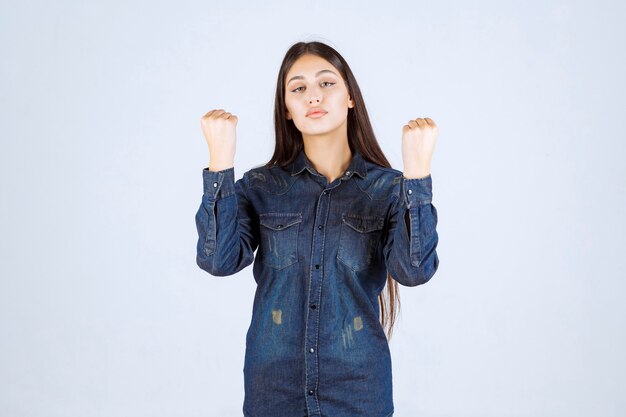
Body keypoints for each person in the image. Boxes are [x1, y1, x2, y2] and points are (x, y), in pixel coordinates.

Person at [195, 40, 439, 417]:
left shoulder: (388, 189)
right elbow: (218, 260)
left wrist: (418, 176)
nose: (313, 96)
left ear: (350, 98)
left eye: (326, 83)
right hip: (274, 391)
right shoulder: (262, 187)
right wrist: (219, 165)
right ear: (288, 110)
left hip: (358, 392)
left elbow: (414, 270)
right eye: (298, 88)